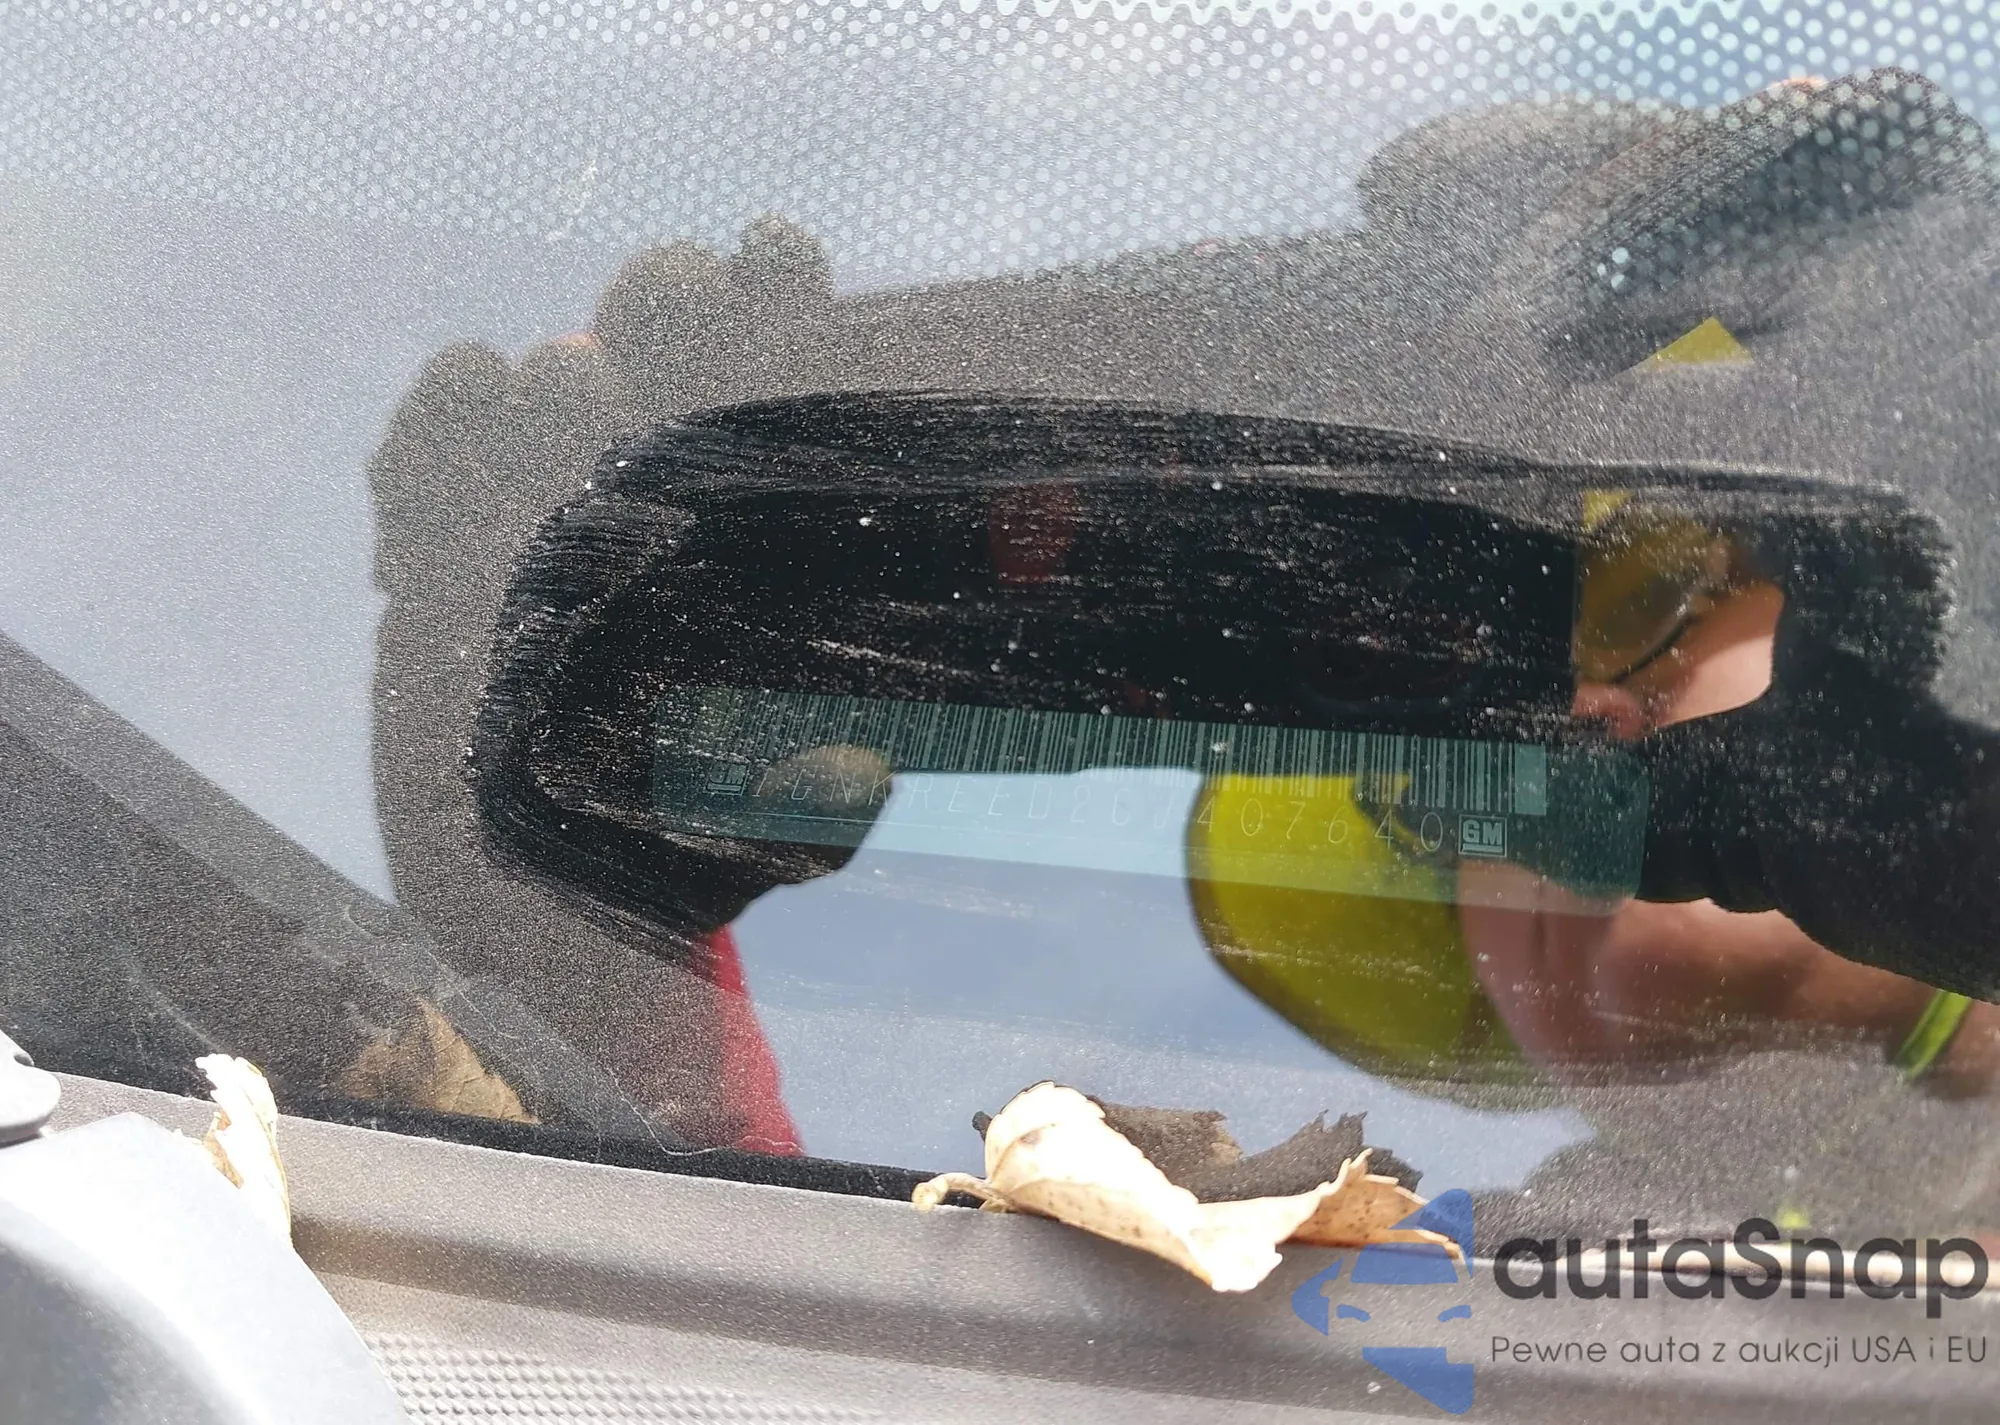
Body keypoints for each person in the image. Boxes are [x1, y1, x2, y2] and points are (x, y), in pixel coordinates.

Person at [366, 66, 1999, 1150]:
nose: (1591, 720)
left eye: (1638, 591)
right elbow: (734, 1292)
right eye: (1451, 780)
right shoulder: (1445, 1312)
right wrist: (582, 976)